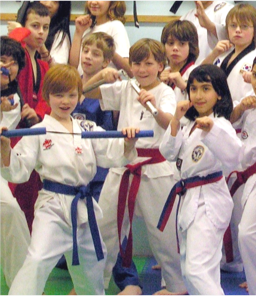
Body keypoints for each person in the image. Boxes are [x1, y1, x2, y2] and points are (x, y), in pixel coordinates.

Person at [0, 64, 139, 296]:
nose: (65, 101)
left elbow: (113, 153)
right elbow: (18, 170)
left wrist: (128, 140)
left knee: (92, 268)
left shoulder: (87, 128)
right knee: (36, 260)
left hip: (84, 208)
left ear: (80, 95)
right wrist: (5, 149)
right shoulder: (39, 131)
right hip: (53, 207)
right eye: (58, 95)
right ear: (47, 96)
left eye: (72, 95)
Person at [83, 38, 186, 295]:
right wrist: (100, 77)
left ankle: (176, 286)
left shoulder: (166, 92)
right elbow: (87, 92)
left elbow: (168, 124)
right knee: (105, 227)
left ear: (160, 65)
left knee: (163, 234)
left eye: (148, 64)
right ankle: (91, 285)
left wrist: (150, 106)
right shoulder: (127, 87)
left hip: (156, 169)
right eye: (137, 63)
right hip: (124, 165)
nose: (142, 69)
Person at [159, 64, 243, 296]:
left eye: (206, 88)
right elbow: (168, 152)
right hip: (189, 199)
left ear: (219, 93)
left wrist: (212, 129)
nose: (198, 95)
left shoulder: (221, 124)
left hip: (209, 200)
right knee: (191, 270)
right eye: (193, 89)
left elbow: (235, 156)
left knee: (197, 270)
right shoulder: (188, 125)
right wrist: (175, 121)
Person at [69, 31, 142, 296]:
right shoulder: (71, 82)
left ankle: (129, 281)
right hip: (73, 170)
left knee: (107, 231)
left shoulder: (114, 86)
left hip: (101, 170)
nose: (88, 56)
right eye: (86, 50)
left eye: (96, 53)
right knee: (78, 236)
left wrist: (104, 77)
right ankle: (87, 284)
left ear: (107, 61)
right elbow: (74, 94)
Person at [201, 3, 256, 273]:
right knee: (228, 205)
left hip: (246, 135)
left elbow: (250, 101)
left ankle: (242, 263)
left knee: (243, 210)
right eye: (233, 26)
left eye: (244, 26)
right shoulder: (222, 57)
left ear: (255, 30)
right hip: (226, 130)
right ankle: (230, 259)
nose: (237, 31)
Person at [7, 1, 51, 232]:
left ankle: (27, 255)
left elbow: (48, 98)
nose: (41, 32)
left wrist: (39, 114)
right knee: (10, 200)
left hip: (33, 138)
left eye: (45, 27)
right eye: (35, 26)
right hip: (11, 136)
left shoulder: (43, 66)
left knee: (29, 201)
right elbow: (11, 44)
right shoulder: (18, 57)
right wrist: (20, 31)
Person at [228, 51, 256, 296]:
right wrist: (240, 106)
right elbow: (229, 121)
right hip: (246, 176)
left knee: (248, 233)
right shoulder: (251, 100)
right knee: (251, 232)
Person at [0, 35, 30, 288]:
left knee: (11, 212)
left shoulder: (13, 101)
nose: (6, 67)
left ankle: (23, 288)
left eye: (12, 63)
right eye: (1, 61)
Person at [69, 0, 132, 77]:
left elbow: (129, 71)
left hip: (105, 87)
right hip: (83, 85)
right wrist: (78, 33)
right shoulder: (87, 27)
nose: (94, 2)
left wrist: (108, 50)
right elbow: (72, 67)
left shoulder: (116, 26)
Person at [8, 0, 71, 66]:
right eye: (35, 26)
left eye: (45, 27)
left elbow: (59, 72)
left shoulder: (59, 35)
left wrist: (43, 50)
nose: (48, 4)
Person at [180, 0, 234, 65]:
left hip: (217, 70)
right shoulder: (186, 17)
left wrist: (209, 26)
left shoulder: (228, 9)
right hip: (190, 71)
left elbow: (233, 38)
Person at [160, 19, 199, 104]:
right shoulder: (162, 72)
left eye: (182, 44)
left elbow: (204, 105)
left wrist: (184, 87)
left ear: (191, 47)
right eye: (170, 43)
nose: (175, 48)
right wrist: (159, 86)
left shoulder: (196, 72)